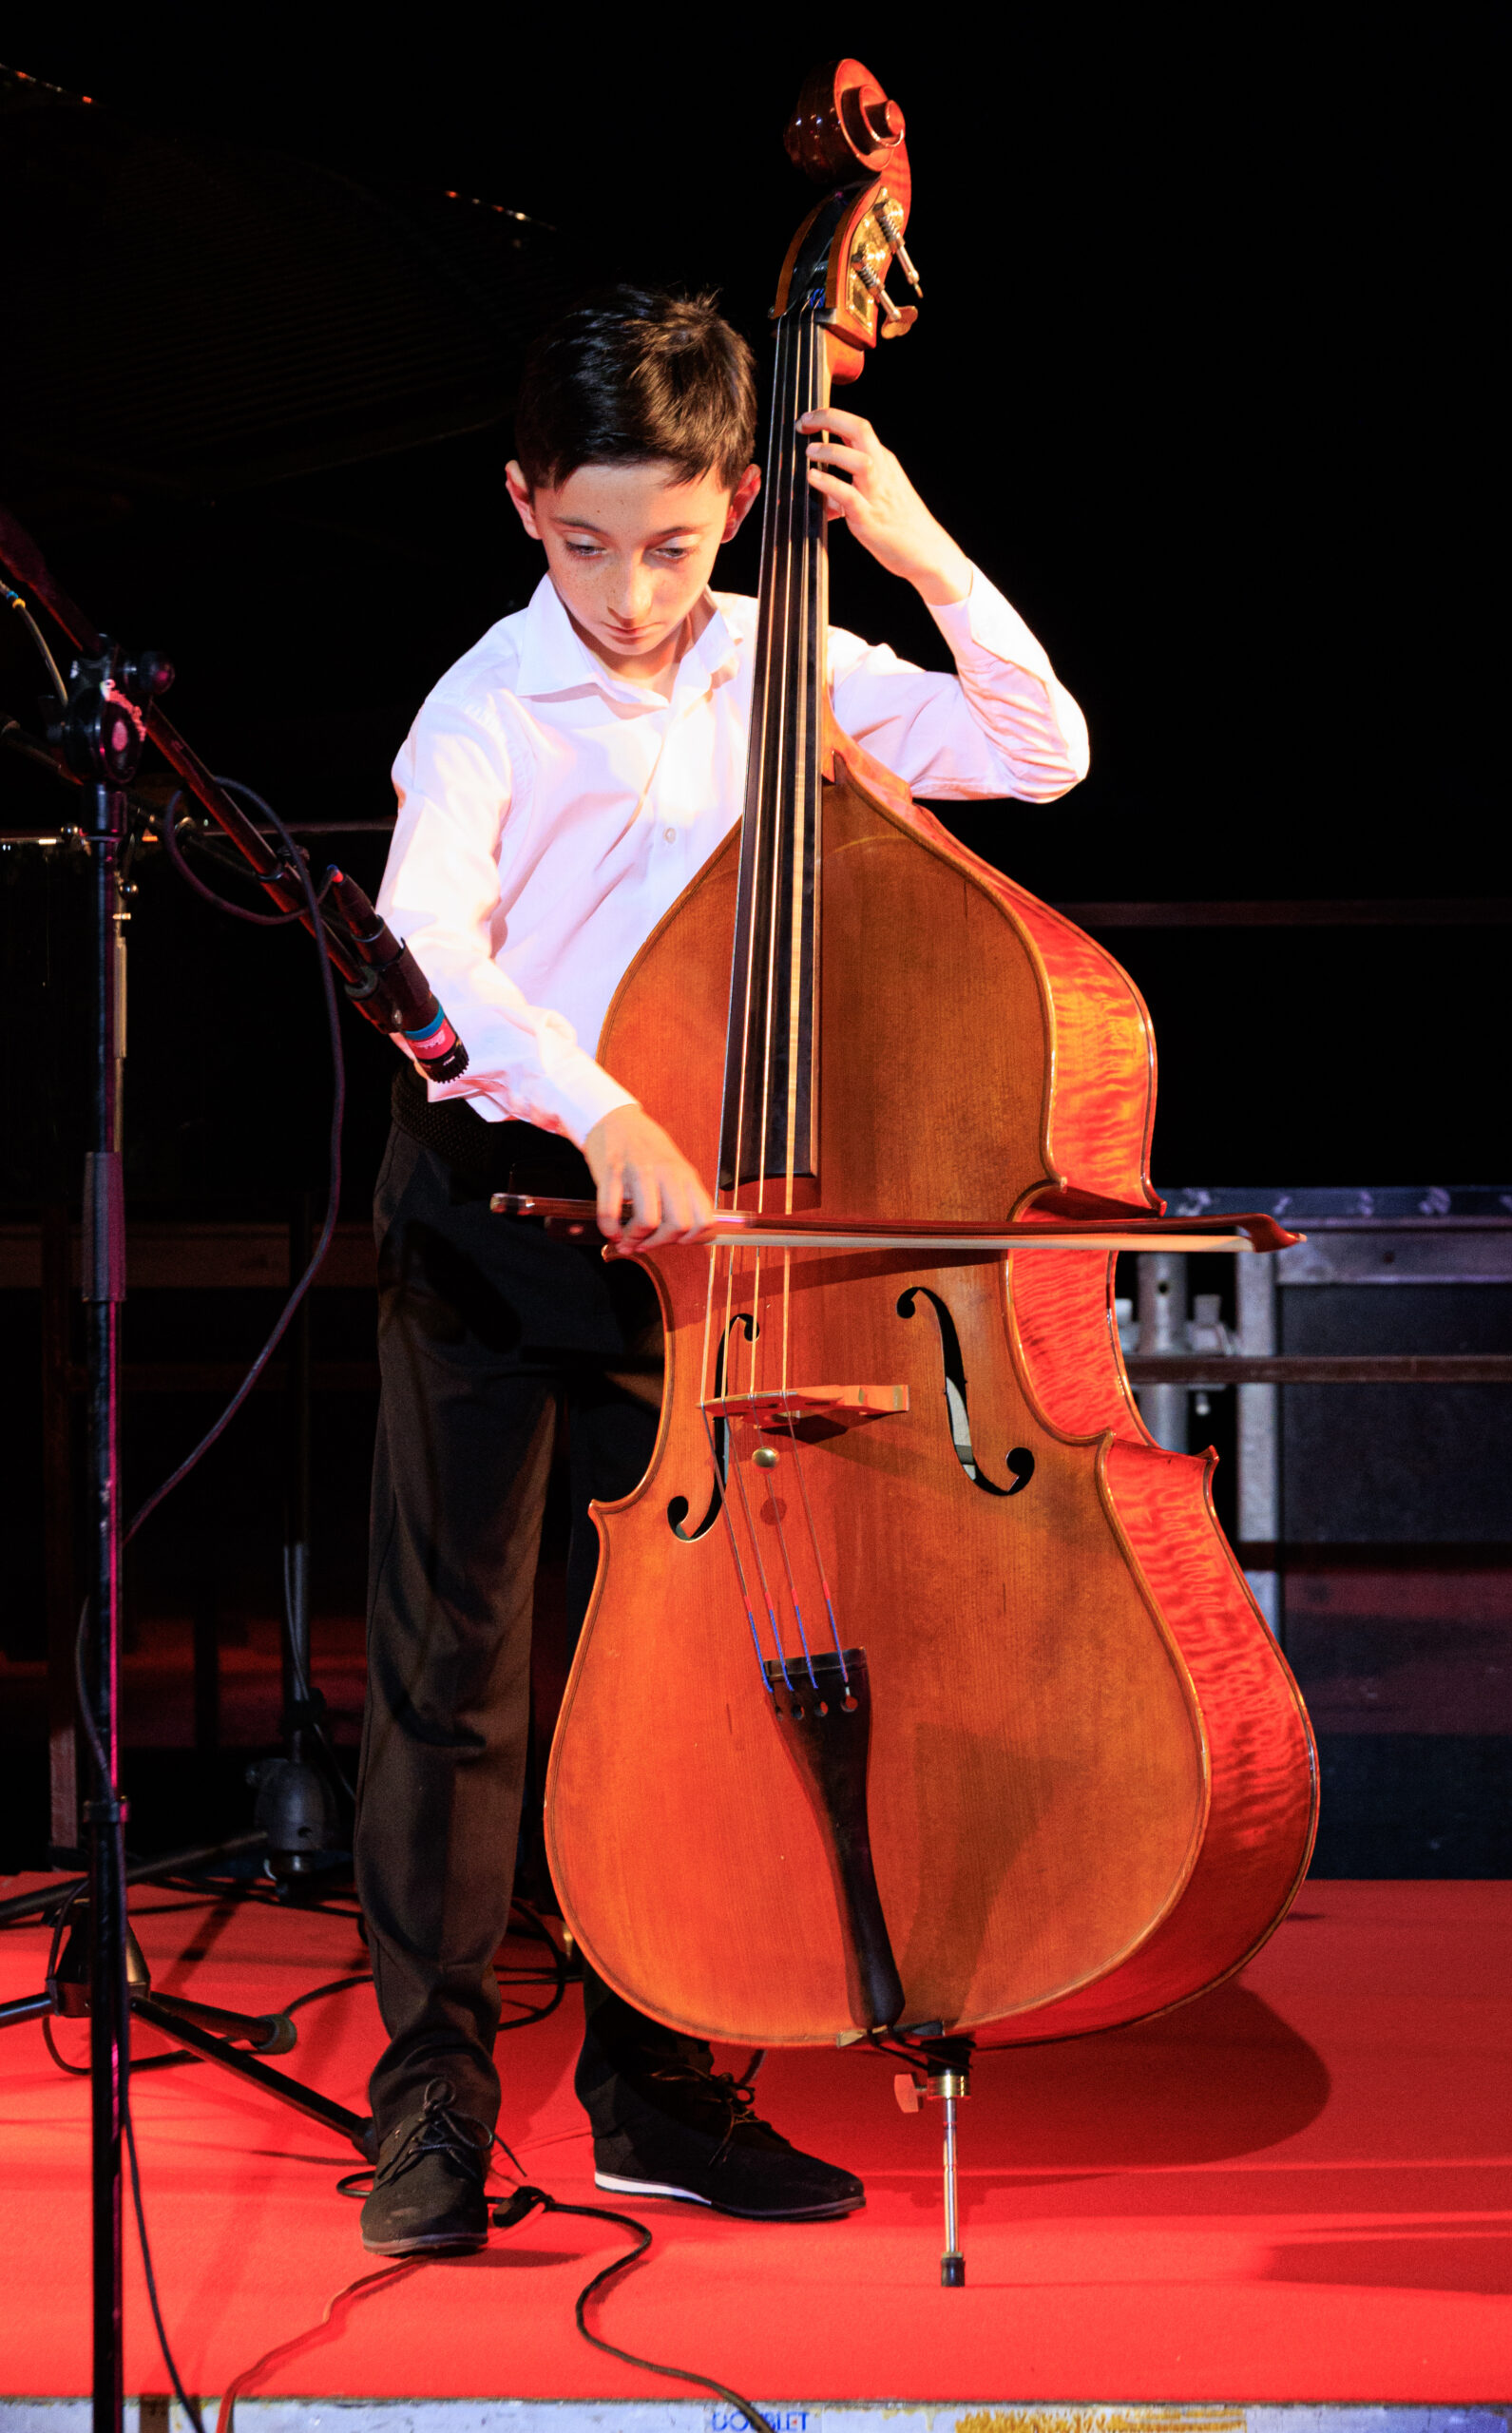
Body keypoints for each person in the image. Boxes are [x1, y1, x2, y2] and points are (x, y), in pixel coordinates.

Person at [354, 286, 1089, 2256]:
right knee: (456, 1682)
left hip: (701, 1248)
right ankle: (430, 2107)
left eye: (673, 545)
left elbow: (1038, 754)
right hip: (501, 1217)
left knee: (683, 1673)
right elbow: (432, 962)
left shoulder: (784, 658)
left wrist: (913, 542)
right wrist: (597, 1108)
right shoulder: (483, 708)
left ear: (741, 503)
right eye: (586, 542)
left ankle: (657, 2087)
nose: (628, 592)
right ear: (526, 503)